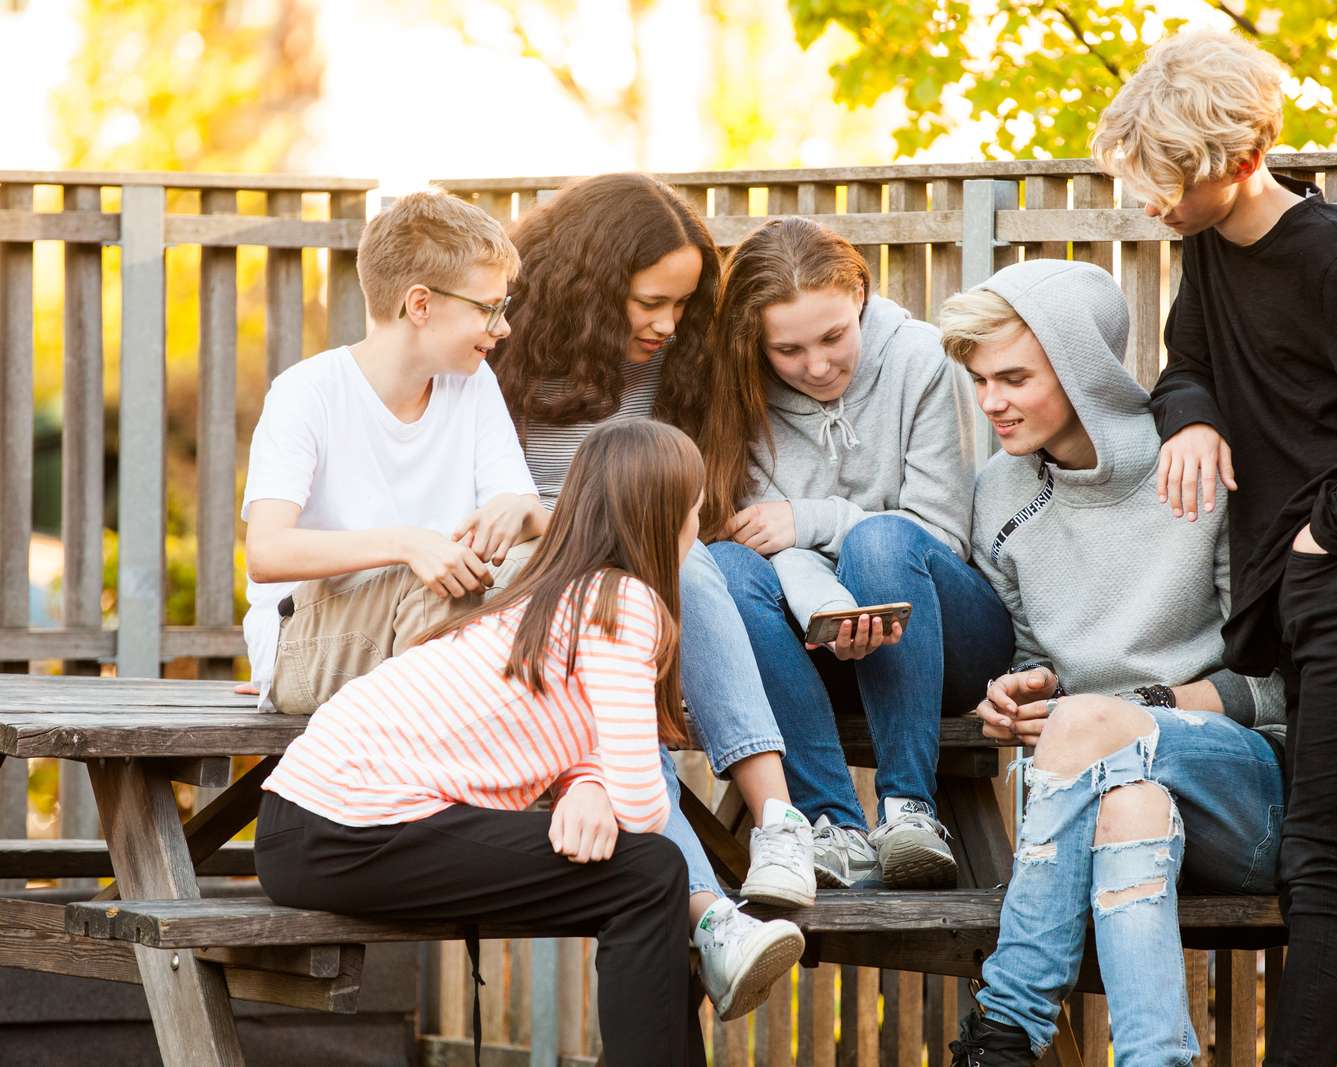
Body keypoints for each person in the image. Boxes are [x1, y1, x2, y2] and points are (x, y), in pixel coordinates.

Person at [1094, 30, 1337, 1066]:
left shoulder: (1321, 255)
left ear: (1228, 159)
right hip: (1314, 590)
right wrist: (1194, 420)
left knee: (1323, 861)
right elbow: (1184, 365)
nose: (1147, 202)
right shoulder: (1210, 250)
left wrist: (1324, 527)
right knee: (1322, 871)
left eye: (1160, 181)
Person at [255, 420, 715, 1067]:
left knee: (648, 876)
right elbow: (643, 808)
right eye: (697, 509)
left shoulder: (552, 597)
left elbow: (572, 724)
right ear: (667, 519)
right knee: (651, 873)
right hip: (348, 826)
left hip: (311, 823)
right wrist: (608, 794)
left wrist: (586, 783)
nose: (701, 524)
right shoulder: (624, 601)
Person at [929, 259, 1285, 1067]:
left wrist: (1134, 709)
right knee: (1131, 804)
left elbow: (1278, 683)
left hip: (1241, 790)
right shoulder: (999, 491)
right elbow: (1033, 658)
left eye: (1014, 376)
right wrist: (1022, 694)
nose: (991, 401)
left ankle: (1006, 1026)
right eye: (981, 379)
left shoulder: (1197, 463)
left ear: (1083, 367)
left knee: (1098, 725)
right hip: (1097, 800)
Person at [494, 173, 811, 1018]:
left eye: (682, 302)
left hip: (649, 605)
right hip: (538, 597)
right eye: (649, 302)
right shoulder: (503, 344)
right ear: (593, 283)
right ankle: (712, 909)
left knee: (691, 566)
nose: (668, 324)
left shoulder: (680, 357)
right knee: (626, 685)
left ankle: (776, 823)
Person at [702, 217, 1013, 890]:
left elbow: (939, 534)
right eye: (787, 349)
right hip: (816, 639)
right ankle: (833, 825)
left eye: (834, 336)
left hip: (940, 633)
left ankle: (909, 810)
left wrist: (813, 518)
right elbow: (763, 547)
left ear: (862, 300)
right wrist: (831, 609)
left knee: (880, 539)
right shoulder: (737, 391)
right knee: (725, 568)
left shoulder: (922, 359)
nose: (816, 365)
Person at [241, 190, 547, 716]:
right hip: (308, 638)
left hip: (434, 619)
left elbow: (532, 531)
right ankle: (450, 778)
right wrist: (409, 544)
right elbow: (267, 554)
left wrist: (521, 510)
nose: (504, 327)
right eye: (489, 308)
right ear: (421, 304)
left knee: (560, 560)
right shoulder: (307, 392)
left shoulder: (473, 387)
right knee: (438, 581)